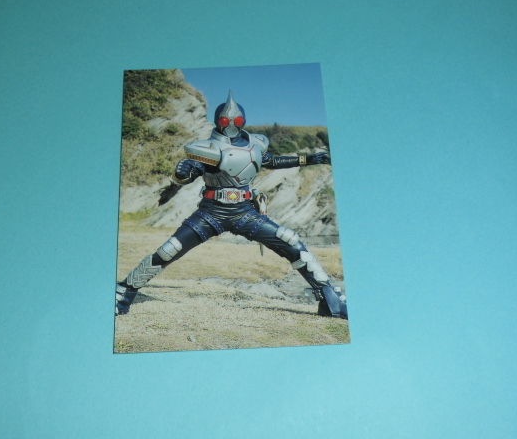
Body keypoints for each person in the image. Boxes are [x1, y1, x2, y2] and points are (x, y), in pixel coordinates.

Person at [115, 91, 348, 319]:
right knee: (169, 250)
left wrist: (308, 159)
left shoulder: (255, 144)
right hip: (210, 213)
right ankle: (125, 292)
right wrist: (183, 172)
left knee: (292, 242)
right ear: (218, 121)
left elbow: (273, 161)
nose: (231, 124)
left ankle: (331, 301)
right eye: (226, 120)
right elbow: (190, 172)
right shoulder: (207, 148)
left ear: (243, 120)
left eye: (236, 120)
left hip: (244, 212)